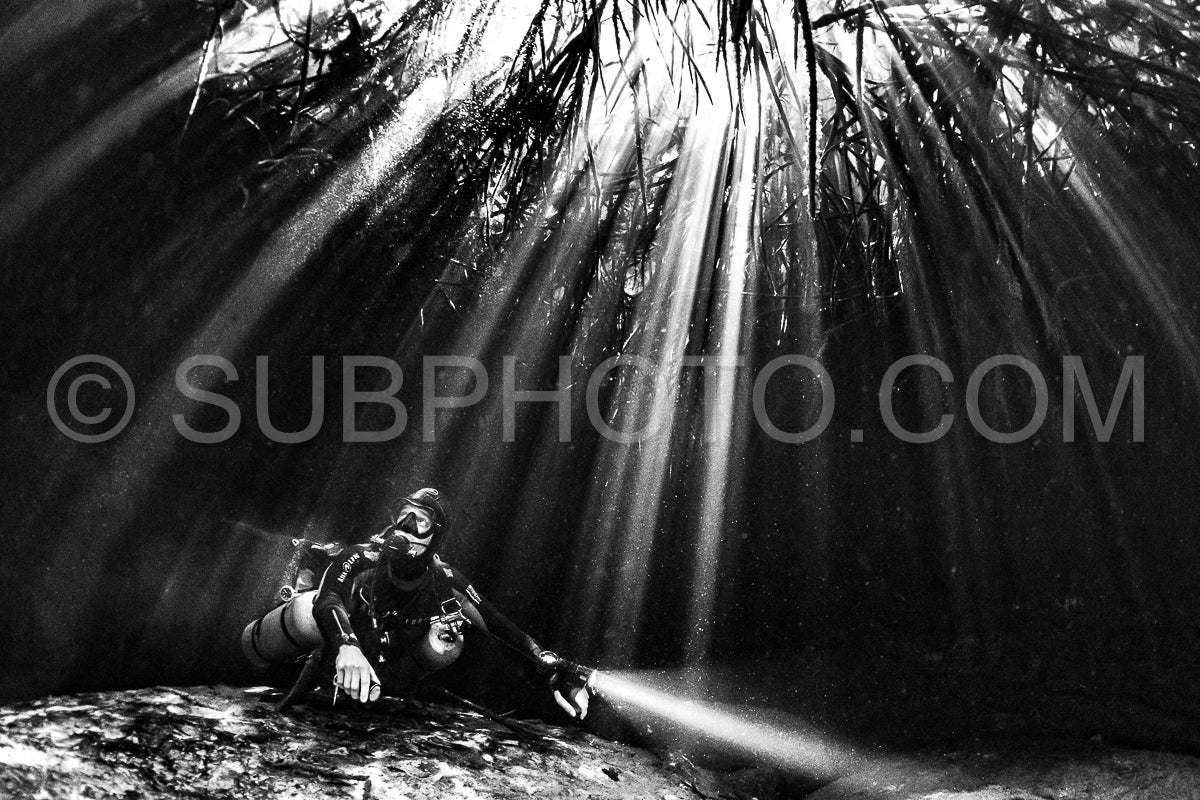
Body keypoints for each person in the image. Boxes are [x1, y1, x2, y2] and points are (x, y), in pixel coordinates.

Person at [308, 487, 592, 717]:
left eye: (421, 521)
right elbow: (328, 597)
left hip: (380, 690)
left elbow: (500, 628)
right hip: (328, 661)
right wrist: (347, 643)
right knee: (304, 610)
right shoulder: (362, 557)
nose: (405, 526)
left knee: (449, 645)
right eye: (404, 514)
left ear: (435, 536)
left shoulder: (446, 581)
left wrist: (552, 673)